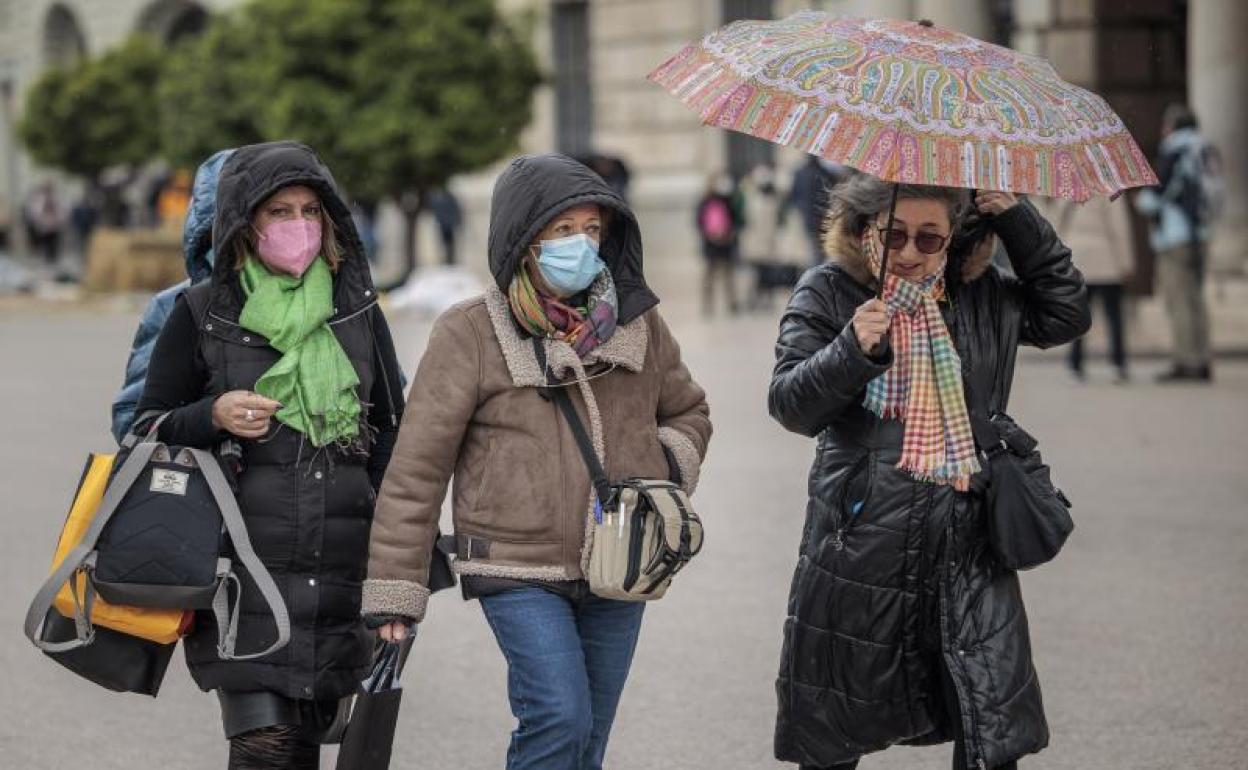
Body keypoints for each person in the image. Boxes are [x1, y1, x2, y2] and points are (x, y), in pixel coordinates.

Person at [362, 153, 712, 770]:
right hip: (515, 567)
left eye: (593, 230)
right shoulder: (469, 331)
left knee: (588, 740)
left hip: (622, 566)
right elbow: (417, 468)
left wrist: (659, 468)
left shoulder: (638, 322)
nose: (581, 244)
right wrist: (397, 591)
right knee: (558, 716)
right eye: (562, 230)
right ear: (525, 239)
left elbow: (689, 412)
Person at [768, 172, 1090, 770]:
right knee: (836, 724)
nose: (910, 253)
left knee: (988, 722)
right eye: (894, 236)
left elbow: (1067, 314)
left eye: (929, 238)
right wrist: (850, 351)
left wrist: (1017, 218)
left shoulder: (981, 292)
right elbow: (790, 405)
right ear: (865, 231)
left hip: (969, 538)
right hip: (861, 541)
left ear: (953, 241)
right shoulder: (830, 291)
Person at [133, 141, 428, 770]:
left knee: (308, 747)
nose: (299, 225)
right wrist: (210, 416)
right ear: (245, 225)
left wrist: (396, 575)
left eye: (311, 210)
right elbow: (145, 431)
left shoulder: (357, 313)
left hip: (340, 573)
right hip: (242, 576)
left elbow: (391, 441)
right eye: (279, 212)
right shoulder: (201, 312)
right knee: (266, 747)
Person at [111, 149, 234, 443]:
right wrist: (211, 416)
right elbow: (132, 421)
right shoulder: (178, 305)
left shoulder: (334, 306)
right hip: (206, 484)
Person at [1135, 104, 1220, 383]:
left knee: (1179, 301)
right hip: (1200, 234)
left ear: (1172, 126)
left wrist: (1143, 202)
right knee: (1195, 299)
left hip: (1175, 236)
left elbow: (1156, 195)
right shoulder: (1205, 149)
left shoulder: (1174, 149)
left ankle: (1187, 362)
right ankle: (1202, 357)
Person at [1055, 195, 1135, 382]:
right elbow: (1120, 228)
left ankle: (1075, 364)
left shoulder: (1068, 190)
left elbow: (1057, 224)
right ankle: (1118, 363)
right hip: (1106, 258)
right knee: (1113, 316)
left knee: (1078, 315)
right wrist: (1126, 263)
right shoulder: (1110, 192)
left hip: (1077, 259)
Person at [781, 155, 847, 267]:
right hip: (822, 216)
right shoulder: (825, 173)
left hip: (808, 217)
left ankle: (816, 271)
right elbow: (834, 194)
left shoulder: (800, 173)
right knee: (822, 249)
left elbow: (793, 196)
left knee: (814, 249)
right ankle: (819, 271)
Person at [696, 171, 744, 315]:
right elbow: (699, 222)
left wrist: (729, 235)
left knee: (728, 275)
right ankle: (708, 306)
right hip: (711, 245)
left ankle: (732, 304)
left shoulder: (728, 200)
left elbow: (736, 221)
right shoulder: (705, 201)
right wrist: (710, 236)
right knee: (710, 277)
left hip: (726, 244)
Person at [24, 182, 63, 267]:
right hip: (44, 226)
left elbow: (60, 212)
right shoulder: (40, 200)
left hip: (54, 226)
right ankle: (47, 260)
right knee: (45, 244)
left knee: (54, 245)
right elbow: (36, 213)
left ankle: (53, 260)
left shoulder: (55, 199)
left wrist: (58, 221)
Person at [427, 187, 463, 265]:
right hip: (443, 224)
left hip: (448, 224)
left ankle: (450, 259)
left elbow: (455, 209)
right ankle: (447, 259)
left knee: (449, 242)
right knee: (445, 242)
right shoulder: (437, 197)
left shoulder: (448, 197)